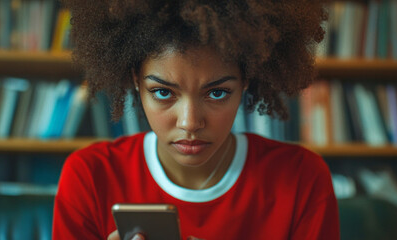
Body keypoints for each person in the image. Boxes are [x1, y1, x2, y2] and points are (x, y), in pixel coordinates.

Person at [53, 0, 339, 239]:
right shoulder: (90, 178)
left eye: (216, 93)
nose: (190, 123)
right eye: (163, 92)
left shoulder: (302, 179)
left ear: (246, 81)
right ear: (136, 81)